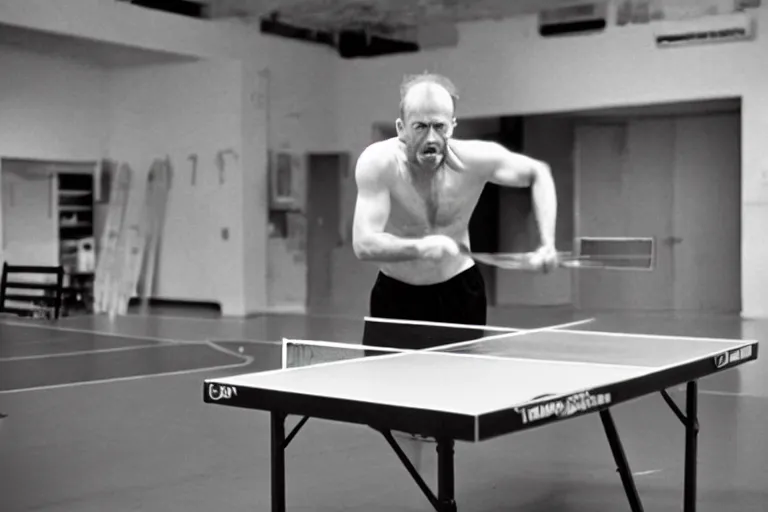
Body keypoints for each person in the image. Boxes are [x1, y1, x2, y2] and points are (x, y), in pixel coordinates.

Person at [353, 72, 559, 353]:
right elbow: (364, 244)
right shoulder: (379, 163)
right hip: (396, 295)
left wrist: (547, 243)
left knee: (459, 388)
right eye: (420, 127)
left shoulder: (475, 159)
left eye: (439, 126)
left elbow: (539, 173)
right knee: (386, 391)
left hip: (459, 293)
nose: (431, 138)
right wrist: (421, 247)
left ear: (453, 125)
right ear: (401, 128)